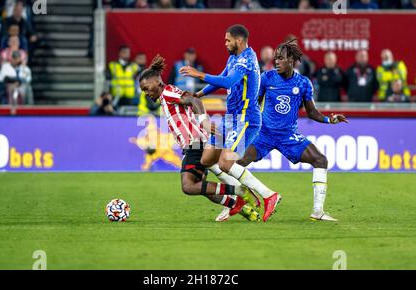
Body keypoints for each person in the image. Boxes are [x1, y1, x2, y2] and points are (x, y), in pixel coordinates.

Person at [139, 54, 261, 222]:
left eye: (146, 88)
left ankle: (239, 191)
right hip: (194, 144)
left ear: (156, 82)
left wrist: (203, 122)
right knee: (203, 188)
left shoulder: (168, 92)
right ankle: (243, 209)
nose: (146, 93)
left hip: (195, 144)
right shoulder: (165, 97)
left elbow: (195, 102)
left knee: (189, 186)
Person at [237, 39, 348, 221]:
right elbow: (253, 103)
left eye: (281, 58)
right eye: (276, 58)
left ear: (292, 60)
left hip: (288, 136)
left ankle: (317, 212)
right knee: (235, 164)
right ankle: (233, 204)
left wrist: (330, 119)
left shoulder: (303, 83)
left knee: (320, 160)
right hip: (264, 134)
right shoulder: (266, 78)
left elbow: (311, 112)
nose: (277, 61)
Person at [179, 24, 280, 222]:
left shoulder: (246, 60)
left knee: (226, 162)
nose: (225, 43)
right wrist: (198, 94)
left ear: (239, 40)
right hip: (230, 119)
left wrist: (198, 74)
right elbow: (221, 78)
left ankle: (268, 195)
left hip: (245, 119)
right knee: (207, 159)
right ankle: (241, 195)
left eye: (228, 40)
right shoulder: (233, 57)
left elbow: (228, 82)